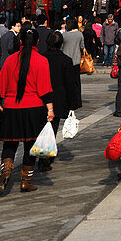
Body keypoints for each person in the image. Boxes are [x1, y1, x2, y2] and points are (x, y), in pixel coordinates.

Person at [0, 28, 52, 195]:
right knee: (30, 146)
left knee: (9, 144)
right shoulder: (42, 61)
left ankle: (5, 173)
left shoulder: (10, 60)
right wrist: (50, 109)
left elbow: (0, 85)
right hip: (33, 108)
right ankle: (26, 181)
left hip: (11, 107)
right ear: (37, 42)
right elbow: (45, 89)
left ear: (19, 41)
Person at [40, 31, 82, 173]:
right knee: (52, 128)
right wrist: (73, 103)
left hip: (41, 98)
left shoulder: (41, 58)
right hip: (58, 99)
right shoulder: (65, 60)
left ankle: (43, 155)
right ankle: (45, 157)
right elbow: (70, 83)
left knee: (41, 126)